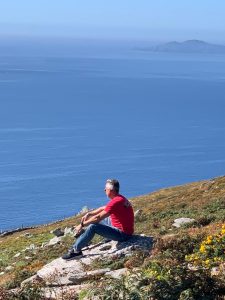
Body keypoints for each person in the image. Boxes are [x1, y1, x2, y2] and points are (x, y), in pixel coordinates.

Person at [62, 179, 134, 260]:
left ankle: (76, 251)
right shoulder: (119, 198)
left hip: (123, 235)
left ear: (110, 190)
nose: (104, 190)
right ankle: (94, 238)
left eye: (105, 189)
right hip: (123, 229)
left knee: (93, 226)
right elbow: (103, 208)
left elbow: (98, 217)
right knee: (98, 218)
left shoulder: (116, 202)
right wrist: (89, 213)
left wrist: (81, 225)